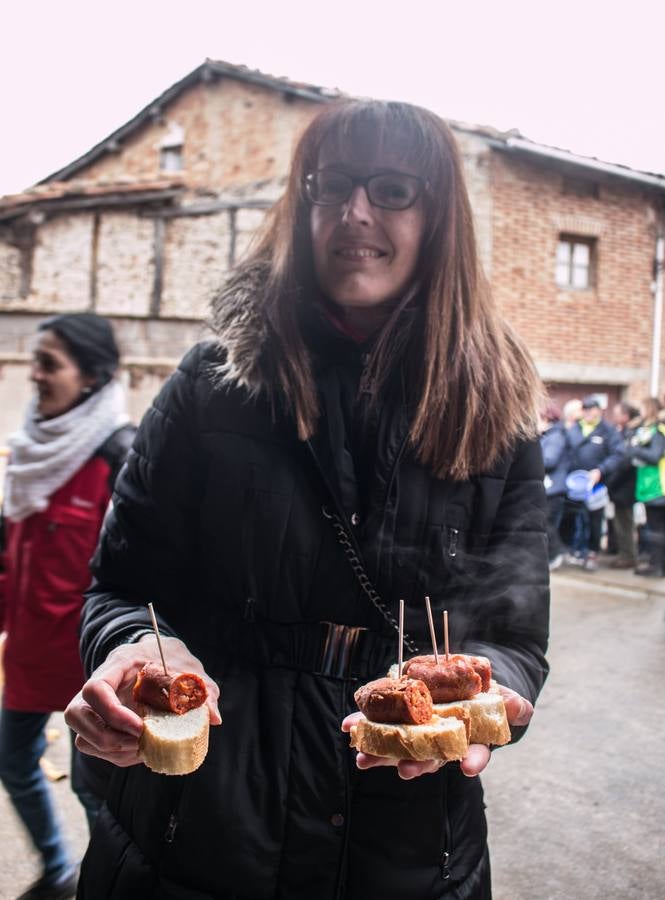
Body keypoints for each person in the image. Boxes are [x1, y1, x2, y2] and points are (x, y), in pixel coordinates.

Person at [64, 100, 550, 900]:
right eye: (332, 186)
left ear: (439, 218)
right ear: (304, 205)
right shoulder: (209, 386)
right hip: (198, 826)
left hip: (407, 843)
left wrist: (488, 687)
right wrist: (130, 653)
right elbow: (120, 588)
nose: (356, 211)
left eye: (393, 189)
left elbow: (514, 635)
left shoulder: (494, 410)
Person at [0, 313, 135, 900]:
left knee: (95, 790)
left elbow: (134, 577)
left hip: (89, 663)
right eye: (37, 360)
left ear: (91, 376)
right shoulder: (31, 450)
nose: (36, 374)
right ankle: (59, 870)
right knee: (12, 761)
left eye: (50, 363)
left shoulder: (119, 457)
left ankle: (99, 881)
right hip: (30, 652)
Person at [565, 395, 623, 571]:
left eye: (592, 409)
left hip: (597, 486)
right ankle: (575, 550)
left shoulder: (608, 431)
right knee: (575, 518)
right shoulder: (574, 429)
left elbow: (618, 454)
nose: (589, 412)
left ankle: (592, 553)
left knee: (595, 519)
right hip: (574, 485)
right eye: (586, 409)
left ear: (599, 410)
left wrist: (601, 470)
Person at [630, 397, 665, 577]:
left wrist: (635, 448)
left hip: (658, 488)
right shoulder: (647, 429)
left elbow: (655, 455)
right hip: (651, 486)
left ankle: (656, 565)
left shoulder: (658, 431)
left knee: (656, 528)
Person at [605, 402, 639, 568]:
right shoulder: (622, 432)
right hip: (620, 487)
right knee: (620, 522)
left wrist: (611, 481)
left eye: (617, 413)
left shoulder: (631, 434)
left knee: (624, 522)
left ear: (626, 416)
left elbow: (625, 461)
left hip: (625, 487)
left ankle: (628, 556)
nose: (614, 416)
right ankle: (623, 553)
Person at [538, 402, 569, 570]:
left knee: (546, 524)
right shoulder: (549, 435)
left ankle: (556, 554)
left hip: (553, 489)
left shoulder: (556, 436)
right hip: (549, 488)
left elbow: (550, 460)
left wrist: (531, 461)